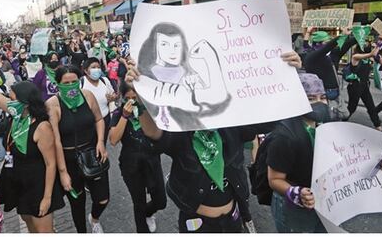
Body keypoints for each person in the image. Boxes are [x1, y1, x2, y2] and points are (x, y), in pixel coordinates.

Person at [125, 49, 303, 234]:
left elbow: (269, 119)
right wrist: (141, 96)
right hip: (197, 224)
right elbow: (154, 133)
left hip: (233, 220)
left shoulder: (233, 124)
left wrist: (288, 75)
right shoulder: (181, 130)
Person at [0, 65, 65, 233]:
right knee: (30, 224)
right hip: (18, 180)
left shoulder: (42, 127)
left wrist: (47, 197)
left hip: (37, 183)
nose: (9, 100)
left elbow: (50, 164)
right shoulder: (17, 115)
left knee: (44, 230)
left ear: (25, 102)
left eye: (13, 97)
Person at [47, 65, 110, 233]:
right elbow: (56, 141)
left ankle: (94, 218)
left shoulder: (87, 96)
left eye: (74, 81)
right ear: (58, 83)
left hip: (92, 154)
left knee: (103, 198)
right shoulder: (53, 105)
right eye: (66, 83)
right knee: (77, 203)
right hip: (68, 160)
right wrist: (62, 172)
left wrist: (101, 142)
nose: (71, 85)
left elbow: (98, 119)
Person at [266, 73, 331, 232]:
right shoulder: (284, 136)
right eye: (310, 99)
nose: (319, 103)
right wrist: (297, 193)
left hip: (325, 201)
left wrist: (374, 166)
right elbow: (274, 179)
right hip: (295, 209)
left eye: (322, 97)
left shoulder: (329, 125)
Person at [108, 81, 166, 233]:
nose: (132, 101)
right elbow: (113, 139)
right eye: (128, 98)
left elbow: (160, 134)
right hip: (131, 164)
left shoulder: (149, 111)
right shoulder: (119, 113)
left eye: (136, 97)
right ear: (123, 98)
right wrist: (125, 116)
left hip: (152, 160)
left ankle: (149, 212)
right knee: (138, 203)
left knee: (161, 201)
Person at [343, 26, 382, 132]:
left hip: (364, 85)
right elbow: (372, 54)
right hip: (355, 86)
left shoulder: (368, 58)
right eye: (365, 44)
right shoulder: (356, 57)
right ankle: (340, 123)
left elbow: (375, 56)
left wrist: (380, 42)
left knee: (371, 106)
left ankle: (379, 128)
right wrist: (377, 45)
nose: (367, 44)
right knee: (352, 108)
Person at [80, 57, 118, 131]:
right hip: (89, 122)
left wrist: (113, 97)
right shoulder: (81, 83)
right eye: (93, 67)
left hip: (105, 119)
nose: (97, 69)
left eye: (98, 67)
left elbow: (114, 94)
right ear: (86, 70)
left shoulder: (105, 80)